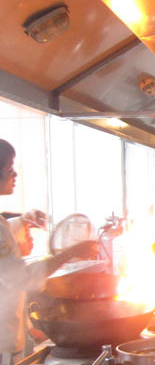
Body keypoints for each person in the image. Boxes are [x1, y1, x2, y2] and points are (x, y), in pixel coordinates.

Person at [0, 139, 98, 364]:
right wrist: (69, 254)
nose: (15, 174)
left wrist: (22, 220)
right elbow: (20, 277)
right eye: (9, 168)